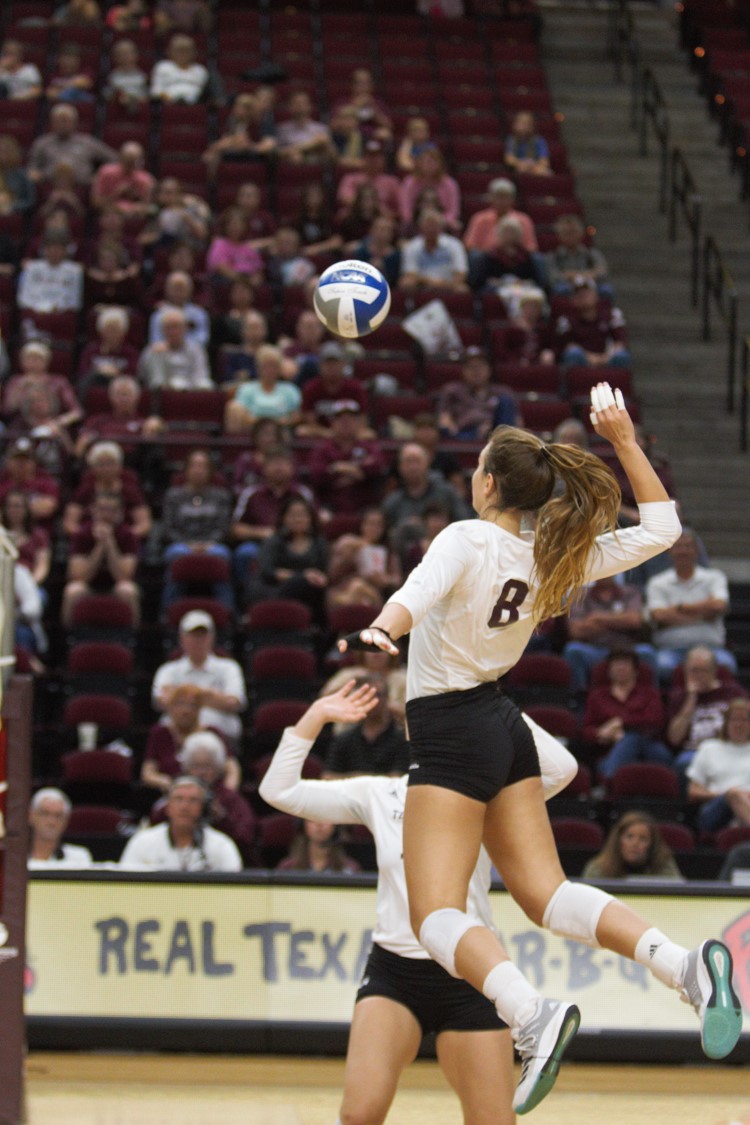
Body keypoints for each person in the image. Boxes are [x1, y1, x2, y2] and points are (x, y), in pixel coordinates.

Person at [338, 384, 742, 1112]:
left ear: (487, 481)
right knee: (547, 894)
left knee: (433, 915)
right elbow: (661, 527)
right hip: (503, 722)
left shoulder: (465, 536)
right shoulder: (557, 555)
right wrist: (621, 439)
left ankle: (531, 1014)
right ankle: (685, 966)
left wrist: (382, 630)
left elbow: (415, 590)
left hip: (453, 729)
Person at [259, 679, 578, 1125]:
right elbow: (280, 792)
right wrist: (315, 718)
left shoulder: (490, 796)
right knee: (359, 1115)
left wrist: (493, 704)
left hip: (472, 975)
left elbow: (562, 768)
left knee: (495, 1121)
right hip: (395, 972)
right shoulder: (379, 793)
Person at [646, 528, 737, 681]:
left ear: (697, 551)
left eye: (688, 546)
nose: (683, 551)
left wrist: (680, 609)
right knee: (662, 666)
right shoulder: (657, 582)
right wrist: (704, 614)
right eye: (678, 546)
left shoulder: (714, 577)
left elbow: (718, 606)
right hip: (671, 649)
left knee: (726, 664)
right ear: (669, 551)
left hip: (711, 649)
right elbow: (658, 616)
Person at [152, 610, 247, 746]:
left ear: (212, 638)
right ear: (182, 639)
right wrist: (210, 696)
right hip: (176, 738)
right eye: (193, 635)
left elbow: (233, 702)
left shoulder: (229, 667)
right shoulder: (168, 669)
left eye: (203, 635)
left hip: (222, 739)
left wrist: (182, 697)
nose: (198, 641)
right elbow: (162, 701)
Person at [581, 649, 673, 781]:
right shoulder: (597, 696)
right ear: (609, 670)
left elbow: (656, 720)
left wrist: (621, 723)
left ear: (635, 670)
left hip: (650, 749)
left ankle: (608, 782)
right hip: (610, 752)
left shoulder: (649, 693)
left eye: (625, 663)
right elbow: (586, 730)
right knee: (628, 740)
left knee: (632, 738)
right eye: (616, 663)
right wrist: (601, 733)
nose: (620, 667)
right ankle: (610, 776)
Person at [160, 449, 234, 610]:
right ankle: (167, 613)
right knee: (176, 554)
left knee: (220, 555)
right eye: (194, 466)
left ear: (210, 471)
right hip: (181, 544)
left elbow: (223, 527)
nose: (198, 470)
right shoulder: (173, 495)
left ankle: (228, 613)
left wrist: (208, 544)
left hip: (213, 545)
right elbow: (168, 527)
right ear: (186, 469)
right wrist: (189, 545)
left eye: (203, 466)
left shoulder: (221, 496)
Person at [119, 775, 242, 872]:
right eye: (179, 799)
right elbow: (125, 886)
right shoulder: (142, 842)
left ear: (203, 808)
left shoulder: (221, 846)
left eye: (193, 800)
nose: (185, 807)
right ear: (167, 806)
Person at [563, 573, 656, 697]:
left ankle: (652, 699)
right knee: (573, 650)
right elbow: (575, 631)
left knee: (646, 652)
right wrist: (618, 621)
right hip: (594, 650)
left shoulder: (630, 592)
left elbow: (635, 621)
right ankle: (578, 700)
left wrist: (596, 618)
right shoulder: (579, 594)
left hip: (627, 650)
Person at [666, 645, 748, 779]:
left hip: (728, 746)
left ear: (714, 670)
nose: (698, 676)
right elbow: (674, 739)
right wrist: (691, 699)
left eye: (703, 671)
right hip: (694, 750)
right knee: (683, 763)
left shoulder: (733, 693)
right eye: (693, 671)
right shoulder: (679, 696)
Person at [61, 491, 141, 626]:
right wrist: (99, 547)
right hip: (89, 585)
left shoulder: (127, 534)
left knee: (128, 590)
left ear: (119, 512)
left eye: (111, 510)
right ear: (93, 510)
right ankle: (68, 637)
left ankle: (133, 638)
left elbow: (124, 575)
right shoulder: (82, 533)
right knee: (73, 590)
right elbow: (79, 576)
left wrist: (110, 544)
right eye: (101, 509)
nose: (105, 514)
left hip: (116, 585)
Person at [247, 495, 329, 620]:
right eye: (293, 515)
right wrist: (302, 576)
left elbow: (323, 571)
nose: (298, 519)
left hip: (310, 592)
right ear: (283, 518)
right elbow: (267, 572)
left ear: (311, 518)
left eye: (302, 515)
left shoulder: (319, 543)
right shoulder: (273, 541)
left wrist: (318, 578)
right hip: (275, 589)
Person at [308, 401, 387, 515]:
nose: (346, 423)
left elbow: (377, 466)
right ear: (333, 423)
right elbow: (317, 474)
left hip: (364, 507)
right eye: (341, 419)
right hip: (330, 506)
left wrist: (341, 468)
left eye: (351, 419)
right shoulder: (323, 449)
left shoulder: (368, 446)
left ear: (358, 423)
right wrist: (356, 472)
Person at [324, 672, 410, 778]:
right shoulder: (344, 739)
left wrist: (356, 779)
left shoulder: (402, 740)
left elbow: (399, 778)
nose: (373, 700)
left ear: (387, 698)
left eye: (378, 695)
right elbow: (327, 777)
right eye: (367, 695)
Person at [686, 697, 750, 833]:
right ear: (726, 723)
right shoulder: (709, 748)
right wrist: (727, 796)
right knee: (734, 794)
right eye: (734, 719)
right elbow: (693, 791)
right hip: (715, 811)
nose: (739, 725)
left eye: (744, 720)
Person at [436, 347, 519, 442]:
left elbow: (516, 421)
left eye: (480, 366)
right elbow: (444, 419)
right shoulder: (452, 391)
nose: (476, 371)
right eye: (471, 367)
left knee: (506, 401)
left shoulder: (503, 391)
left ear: (489, 369)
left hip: (495, 435)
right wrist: (454, 432)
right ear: (463, 370)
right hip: (465, 433)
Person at [26, 104, 117, 186]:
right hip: (50, 186)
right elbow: (32, 167)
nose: (62, 125)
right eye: (59, 121)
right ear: (52, 123)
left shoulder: (88, 142)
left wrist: (100, 177)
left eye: (66, 121)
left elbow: (113, 159)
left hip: (83, 187)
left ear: (75, 123)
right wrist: (34, 174)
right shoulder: (42, 143)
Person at [553, 277, 632, 369]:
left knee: (622, 355)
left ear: (596, 296)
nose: (584, 296)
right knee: (573, 354)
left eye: (587, 293)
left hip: (606, 357)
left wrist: (606, 357)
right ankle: (574, 382)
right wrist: (591, 358)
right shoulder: (566, 319)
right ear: (574, 299)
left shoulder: (611, 314)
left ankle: (619, 383)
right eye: (579, 294)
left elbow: (620, 341)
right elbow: (568, 345)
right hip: (583, 358)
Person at [223, 343, 301, 435]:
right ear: (258, 368)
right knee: (233, 407)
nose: (269, 370)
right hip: (252, 431)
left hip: (281, 432)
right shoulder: (247, 389)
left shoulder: (290, 389)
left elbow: (297, 415)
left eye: (273, 366)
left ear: (280, 369)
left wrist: (278, 423)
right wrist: (261, 424)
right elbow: (241, 414)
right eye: (265, 366)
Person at [582, 811, 683, 880]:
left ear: (652, 844)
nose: (635, 844)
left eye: (643, 839)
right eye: (629, 837)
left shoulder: (665, 867)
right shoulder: (598, 869)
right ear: (618, 840)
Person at [136, 308, 212, 390]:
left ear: (185, 328)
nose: (173, 331)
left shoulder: (196, 350)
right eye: (169, 327)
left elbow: (201, 375)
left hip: (191, 393)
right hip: (163, 394)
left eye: (177, 326)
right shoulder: (152, 350)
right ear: (162, 330)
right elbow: (142, 375)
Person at [545, 213, 613, 299]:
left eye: (574, 232)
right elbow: (552, 277)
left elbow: (603, 271)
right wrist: (569, 277)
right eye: (567, 233)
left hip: (590, 283)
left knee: (606, 290)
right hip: (567, 285)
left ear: (581, 233)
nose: (571, 236)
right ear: (559, 235)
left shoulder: (591, 253)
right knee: (561, 289)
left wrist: (587, 275)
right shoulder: (553, 256)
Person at [399, 209, 468, 293]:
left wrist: (444, 284)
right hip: (421, 285)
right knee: (406, 283)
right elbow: (410, 273)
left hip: (448, 285)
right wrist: (431, 282)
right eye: (428, 225)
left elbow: (461, 273)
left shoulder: (454, 244)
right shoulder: (412, 246)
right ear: (421, 227)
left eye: (434, 225)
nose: (431, 229)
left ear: (441, 228)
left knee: (462, 289)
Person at [463, 177, 538, 255]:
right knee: (476, 256)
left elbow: (531, 246)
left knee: (537, 258)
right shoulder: (480, 218)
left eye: (506, 197)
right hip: (488, 259)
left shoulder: (523, 219)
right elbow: (470, 245)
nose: (502, 201)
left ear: (513, 199)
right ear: (491, 198)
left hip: (517, 259)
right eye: (499, 197)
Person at [17, 230, 84, 313]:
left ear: (65, 250)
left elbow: (75, 302)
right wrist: (42, 308)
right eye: (50, 248)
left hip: (62, 315)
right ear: (44, 249)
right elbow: (23, 299)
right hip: (35, 312)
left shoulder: (75, 271)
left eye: (58, 248)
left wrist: (56, 308)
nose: (54, 252)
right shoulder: (31, 268)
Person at [399, 147, 461, 234]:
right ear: (419, 163)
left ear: (440, 164)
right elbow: (406, 210)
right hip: (416, 222)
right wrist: (417, 222)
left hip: (442, 222)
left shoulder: (449, 184)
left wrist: (440, 221)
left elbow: (453, 211)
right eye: (425, 161)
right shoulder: (410, 182)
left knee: (455, 226)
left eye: (433, 161)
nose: (429, 164)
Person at [28, 788, 93, 869]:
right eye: (45, 813)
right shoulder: (13, 856)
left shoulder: (78, 858)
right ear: (30, 816)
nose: (51, 822)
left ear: (66, 821)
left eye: (58, 815)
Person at [337, 139, 401, 218]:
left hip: (381, 220)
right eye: (369, 156)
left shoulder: (392, 182)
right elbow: (345, 197)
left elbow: (401, 205)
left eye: (376, 156)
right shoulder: (350, 178)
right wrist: (371, 205)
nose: (373, 160)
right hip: (355, 217)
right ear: (363, 158)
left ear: (383, 159)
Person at [91, 141, 155, 218]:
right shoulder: (106, 173)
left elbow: (149, 207)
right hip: (109, 216)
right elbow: (95, 202)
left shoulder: (146, 179)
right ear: (121, 158)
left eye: (134, 162)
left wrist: (135, 199)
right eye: (128, 161)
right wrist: (116, 193)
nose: (131, 165)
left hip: (135, 218)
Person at [148, 270, 210, 348]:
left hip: (192, 353)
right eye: (175, 288)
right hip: (165, 352)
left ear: (190, 290)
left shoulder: (199, 313)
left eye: (182, 288)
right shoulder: (159, 315)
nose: (179, 292)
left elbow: (203, 338)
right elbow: (155, 339)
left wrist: (183, 346)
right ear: (167, 290)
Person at [276, 90, 333, 164]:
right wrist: (314, 144)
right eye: (296, 103)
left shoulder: (321, 128)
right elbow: (278, 153)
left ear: (310, 106)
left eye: (304, 103)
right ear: (290, 107)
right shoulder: (282, 129)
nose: (300, 106)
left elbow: (332, 155)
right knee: (295, 157)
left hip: (317, 162)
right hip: (292, 163)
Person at [150, 34, 208, 104]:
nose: (183, 53)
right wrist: (170, 99)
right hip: (168, 105)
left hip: (194, 106)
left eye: (186, 50)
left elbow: (202, 92)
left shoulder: (200, 70)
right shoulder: (163, 67)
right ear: (170, 51)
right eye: (179, 50)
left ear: (194, 52)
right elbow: (156, 91)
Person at [0, 134, 35, 215]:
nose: (1, 154)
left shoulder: (23, 175)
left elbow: (30, 201)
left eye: (4, 151)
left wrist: (11, 207)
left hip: (13, 214)